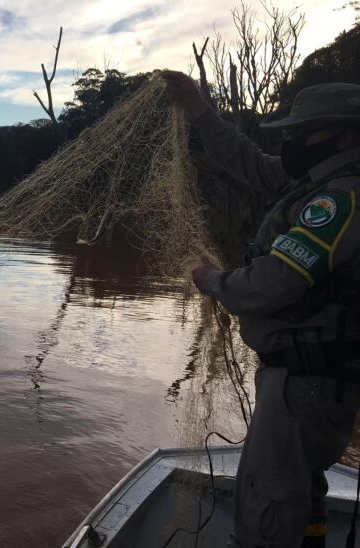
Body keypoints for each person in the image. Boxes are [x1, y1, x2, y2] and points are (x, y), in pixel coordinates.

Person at [162, 71, 360, 547]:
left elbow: (274, 284)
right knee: (300, 494)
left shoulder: (341, 197)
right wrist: (197, 109)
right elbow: (250, 163)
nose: (291, 141)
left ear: (346, 134)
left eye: (301, 132)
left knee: (266, 505)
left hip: (306, 386)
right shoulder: (319, 179)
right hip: (307, 383)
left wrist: (212, 280)